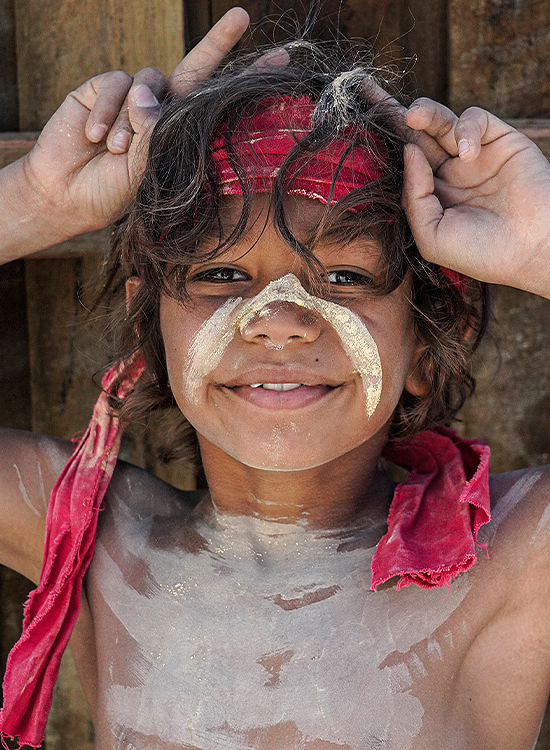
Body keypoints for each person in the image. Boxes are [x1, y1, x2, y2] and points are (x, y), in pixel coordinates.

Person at [0, 6, 549, 750]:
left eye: (346, 276)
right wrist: (30, 202)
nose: (279, 319)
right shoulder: (98, 540)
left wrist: (540, 244)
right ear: (150, 333)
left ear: (426, 344)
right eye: (222, 272)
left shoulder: (514, 558)